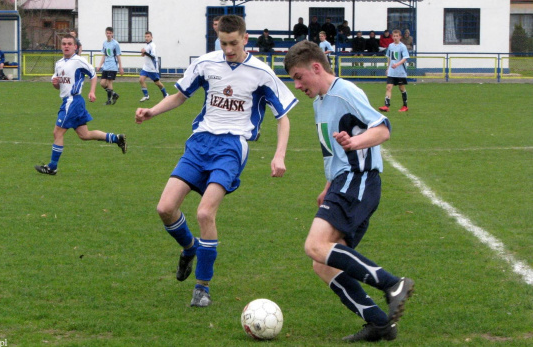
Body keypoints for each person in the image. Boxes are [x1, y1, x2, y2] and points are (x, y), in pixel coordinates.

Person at [135, 15, 297, 308]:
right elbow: (179, 96)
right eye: (223, 43)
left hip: (231, 147)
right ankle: (189, 248)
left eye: (234, 43)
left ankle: (202, 287)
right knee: (165, 208)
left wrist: (279, 154)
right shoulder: (206, 63)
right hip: (199, 143)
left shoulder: (261, 73)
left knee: (204, 213)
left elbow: (283, 118)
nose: (229, 49)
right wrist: (152, 112)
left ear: (245, 39)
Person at [283, 40, 414, 342]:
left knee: (315, 246)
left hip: (360, 179)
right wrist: (328, 185)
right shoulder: (320, 102)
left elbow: (383, 128)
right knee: (322, 263)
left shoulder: (346, 92)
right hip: (342, 182)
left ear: (316, 67)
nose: (297, 85)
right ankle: (380, 323)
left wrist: (355, 143)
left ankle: (392, 284)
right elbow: (331, 153)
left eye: (299, 77)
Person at [35, 35, 126, 175]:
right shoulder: (59, 63)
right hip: (70, 102)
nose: (66, 46)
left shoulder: (78, 61)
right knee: (84, 135)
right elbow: (58, 85)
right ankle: (116, 138)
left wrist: (92, 92)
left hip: (73, 101)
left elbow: (93, 75)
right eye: (64, 43)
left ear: (75, 47)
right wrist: (55, 84)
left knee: (57, 132)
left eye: (69, 44)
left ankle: (52, 167)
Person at [379, 29, 410, 113]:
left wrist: (397, 64)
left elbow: (405, 58)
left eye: (397, 36)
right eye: (394, 36)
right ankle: (386, 106)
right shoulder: (390, 46)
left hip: (400, 72)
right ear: (392, 37)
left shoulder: (402, 46)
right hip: (392, 72)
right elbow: (389, 58)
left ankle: (405, 106)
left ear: (400, 37)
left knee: (401, 88)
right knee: (388, 87)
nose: (395, 37)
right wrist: (388, 68)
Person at [138, 31, 169, 102]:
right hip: (146, 67)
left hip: (152, 68)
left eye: (148, 36)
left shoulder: (153, 45)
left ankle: (165, 94)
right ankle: (146, 96)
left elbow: (152, 56)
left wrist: (145, 52)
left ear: (151, 37)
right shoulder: (147, 45)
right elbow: (146, 54)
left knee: (157, 83)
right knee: (141, 79)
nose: (146, 38)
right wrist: (143, 54)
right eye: (145, 37)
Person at [97, 27, 123, 106]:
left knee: (109, 82)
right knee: (102, 83)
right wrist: (100, 65)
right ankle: (114, 94)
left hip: (113, 66)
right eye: (107, 33)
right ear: (105, 33)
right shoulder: (104, 43)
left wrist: (120, 67)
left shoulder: (115, 44)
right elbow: (104, 55)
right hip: (106, 66)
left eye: (110, 33)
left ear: (112, 34)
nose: (108, 34)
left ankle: (109, 101)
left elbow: (118, 56)